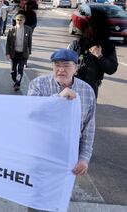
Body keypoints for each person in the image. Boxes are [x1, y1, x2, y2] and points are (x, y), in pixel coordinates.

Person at [27, 48, 96, 186]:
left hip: (68, 154)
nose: (61, 70)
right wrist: (58, 99)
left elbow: (88, 128)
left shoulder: (87, 91)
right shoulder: (38, 84)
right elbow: (31, 114)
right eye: (57, 65)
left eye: (66, 65)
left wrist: (84, 158)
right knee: (36, 190)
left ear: (76, 68)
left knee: (59, 192)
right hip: (40, 150)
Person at [68, 10, 118, 97]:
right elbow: (63, 63)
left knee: (87, 110)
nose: (94, 31)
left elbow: (111, 69)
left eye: (98, 28)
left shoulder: (107, 47)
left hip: (91, 89)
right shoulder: (78, 43)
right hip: (72, 85)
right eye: (92, 27)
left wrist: (99, 56)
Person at [5, 13, 32, 91]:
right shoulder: (11, 30)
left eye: (21, 20)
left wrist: (29, 52)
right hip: (14, 53)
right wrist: (7, 53)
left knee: (20, 69)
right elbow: (8, 43)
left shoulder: (28, 29)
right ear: (16, 20)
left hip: (23, 53)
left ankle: (17, 84)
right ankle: (15, 79)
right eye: (18, 20)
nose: (19, 21)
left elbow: (30, 41)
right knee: (13, 71)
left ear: (24, 21)